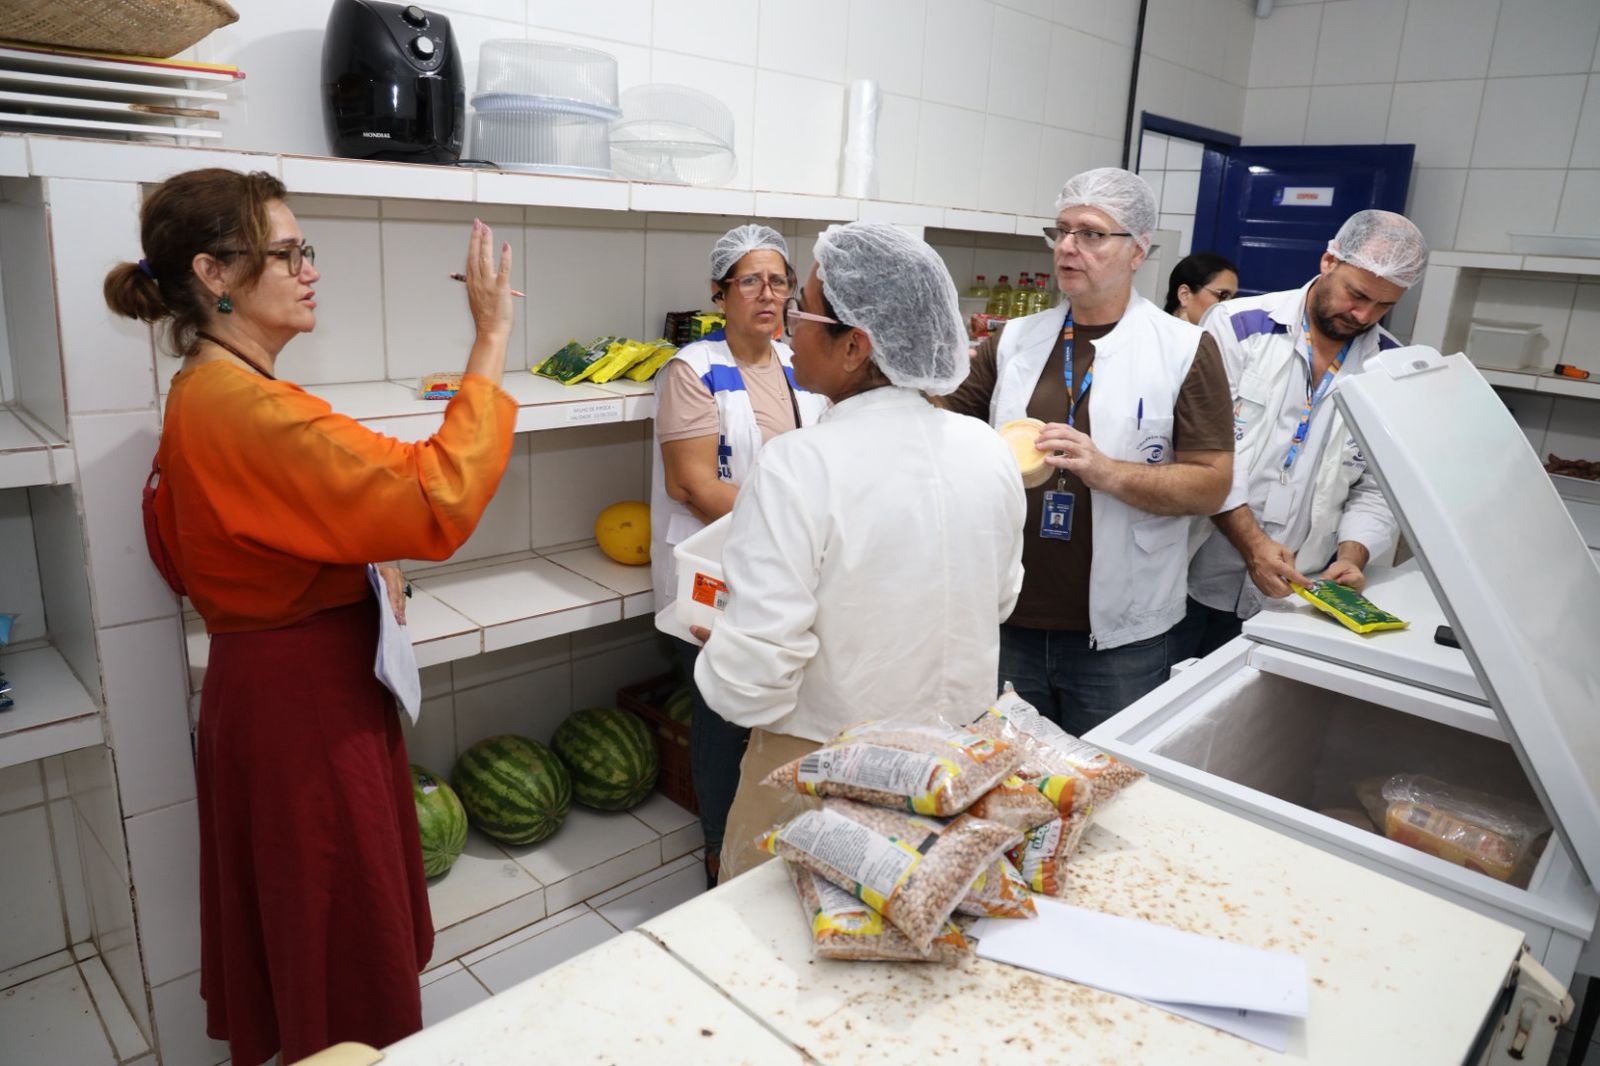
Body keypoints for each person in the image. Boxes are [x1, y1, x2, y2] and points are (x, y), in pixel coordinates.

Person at [104, 169, 517, 1066]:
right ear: (215, 274)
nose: (308, 269)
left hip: (277, 689)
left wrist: (361, 551)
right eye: (285, 253)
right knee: (336, 932)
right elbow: (434, 493)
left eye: (306, 250)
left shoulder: (208, 389)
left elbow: (252, 529)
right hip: (304, 712)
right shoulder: (242, 405)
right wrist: (489, 339)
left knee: (313, 925)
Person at [691, 221, 1026, 881]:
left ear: (854, 347)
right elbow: (1002, 595)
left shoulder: (799, 464)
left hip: (826, 776)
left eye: (804, 307)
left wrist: (721, 651)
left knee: (789, 955)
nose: (789, 322)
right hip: (954, 763)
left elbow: (755, 680)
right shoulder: (988, 449)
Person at [940, 168, 1235, 736]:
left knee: (1104, 796)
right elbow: (944, 428)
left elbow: (1211, 483)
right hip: (1009, 620)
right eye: (1062, 231)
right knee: (1004, 793)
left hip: (1121, 640)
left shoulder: (1184, 349)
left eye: (1092, 234)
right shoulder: (1015, 340)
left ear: (1138, 250)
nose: (1069, 247)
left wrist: (1107, 472)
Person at [650, 223, 828, 887]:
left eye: (780, 280)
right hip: (715, 572)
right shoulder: (692, 370)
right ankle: (719, 850)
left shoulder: (798, 364)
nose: (768, 294)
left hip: (788, 566)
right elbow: (693, 486)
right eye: (750, 280)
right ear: (719, 293)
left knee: (776, 705)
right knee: (725, 711)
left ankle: (770, 849)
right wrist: (795, 530)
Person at [1171, 210, 1425, 661]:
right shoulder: (1235, 326)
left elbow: (1378, 487)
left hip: (1299, 591)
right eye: (1357, 294)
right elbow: (1201, 453)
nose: (1364, 314)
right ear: (1329, 261)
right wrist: (1253, 545)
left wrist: (1353, 554)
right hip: (1195, 572)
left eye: (1384, 306)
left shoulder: (1388, 367)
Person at [1165, 251, 1239, 324]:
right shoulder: (1158, 333)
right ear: (1185, 295)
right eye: (1224, 296)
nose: (1230, 306)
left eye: (1234, 298)